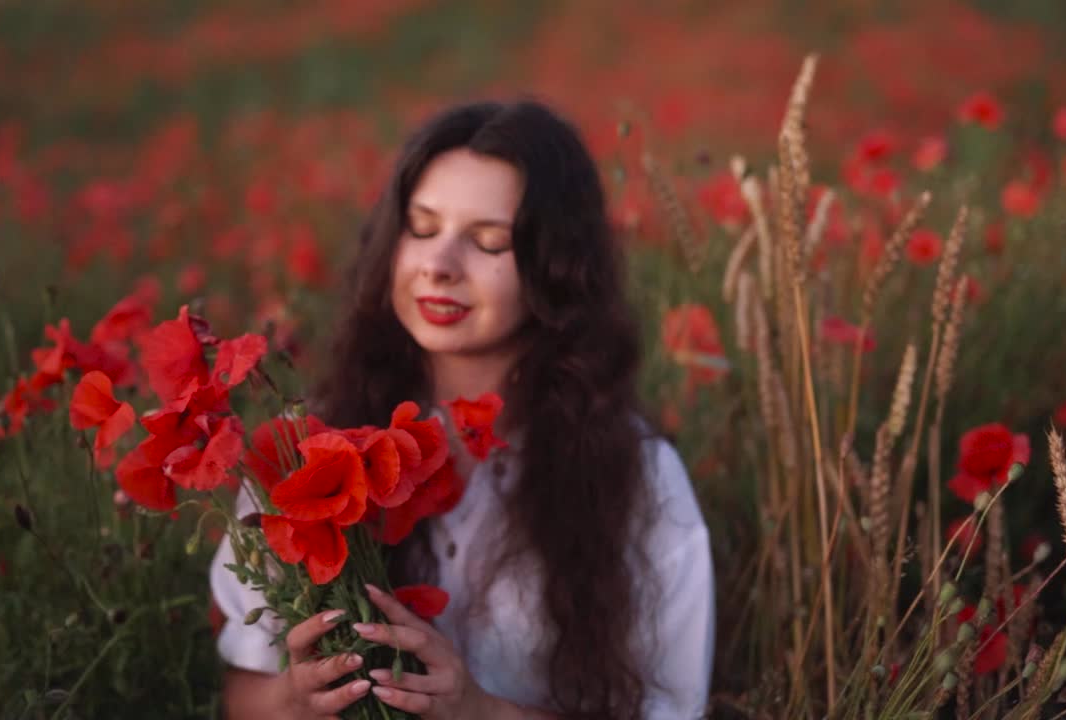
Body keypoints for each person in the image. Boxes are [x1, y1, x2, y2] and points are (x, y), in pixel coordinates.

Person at [211, 100, 714, 719]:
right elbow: (243, 695)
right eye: (421, 229)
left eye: (487, 241)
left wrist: (481, 712)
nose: (439, 266)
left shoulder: (640, 480)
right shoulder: (307, 451)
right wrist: (297, 699)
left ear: (558, 269)